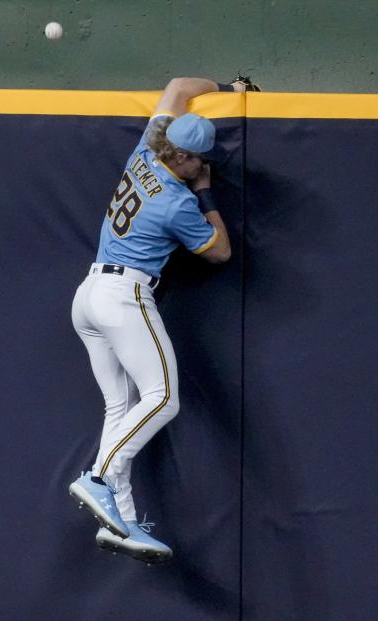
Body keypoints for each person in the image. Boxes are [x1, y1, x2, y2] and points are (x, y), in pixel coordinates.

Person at [68, 77, 248, 563]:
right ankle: (99, 477)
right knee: (163, 399)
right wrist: (207, 194)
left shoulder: (145, 151)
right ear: (185, 160)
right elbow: (221, 253)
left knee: (121, 406)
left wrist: (227, 84)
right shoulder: (178, 202)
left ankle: (119, 521)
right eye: (200, 160)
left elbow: (177, 87)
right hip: (123, 296)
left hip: (87, 296)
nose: (203, 166)